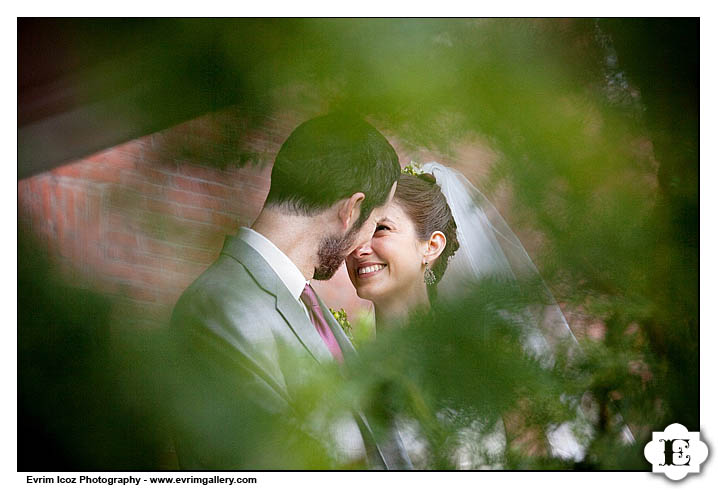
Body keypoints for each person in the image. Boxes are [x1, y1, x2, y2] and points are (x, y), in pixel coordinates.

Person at [170, 113, 412, 469]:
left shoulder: (304, 303)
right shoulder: (220, 307)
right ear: (351, 209)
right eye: (374, 223)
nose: (363, 244)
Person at [345, 162, 620, 467]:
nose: (359, 248)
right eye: (356, 230)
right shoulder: (340, 357)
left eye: (381, 229)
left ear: (431, 246)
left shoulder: (488, 355)